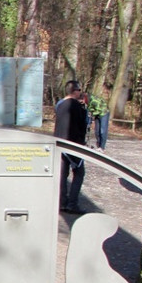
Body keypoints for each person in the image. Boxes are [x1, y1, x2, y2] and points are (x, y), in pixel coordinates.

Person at [54, 80, 88, 214]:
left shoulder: (60, 104)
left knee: (62, 174)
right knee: (79, 173)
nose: (80, 93)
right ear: (75, 91)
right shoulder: (77, 106)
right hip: (73, 144)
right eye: (79, 90)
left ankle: (61, 202)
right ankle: (72, 203)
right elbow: (83, 126)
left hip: (59, 142)